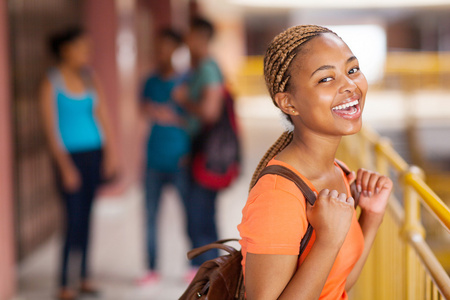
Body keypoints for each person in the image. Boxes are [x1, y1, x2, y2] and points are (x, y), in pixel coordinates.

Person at [238, 25, 394, 299]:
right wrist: (327, 240)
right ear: (289, 104)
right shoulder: (278, 196)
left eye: (352, 69)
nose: (349, 85)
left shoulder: (339, 173)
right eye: (325, 79)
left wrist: (371, 216)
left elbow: (338, 284)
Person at [39, 27, 118, 300]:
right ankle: (64, 282)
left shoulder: (89, 78)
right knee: (72, 219)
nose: (87, 53)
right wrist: (64, 167)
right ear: (65, 49)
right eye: (81, 48)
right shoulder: (52, 82)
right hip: (69, 159)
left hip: (93, 155)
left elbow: (103, 116)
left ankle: (84, 277)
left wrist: (110, 154)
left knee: (87, 218)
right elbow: (51, 130)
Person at [137, 28, 192, 285]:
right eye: (158, 47)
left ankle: (192, 265)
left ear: (176, 50)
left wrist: (176, 114)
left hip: (181, 159)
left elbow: (197, 117)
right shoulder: (149, 82)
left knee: (189, 214)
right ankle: (151, 268)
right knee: (150, 217)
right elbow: (144, 109)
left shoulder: (187, 81)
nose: (162, 52)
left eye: (167, 47)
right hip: (153, 160)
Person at [173, 17, 224, 271]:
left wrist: (184, 101)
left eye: (190, 36)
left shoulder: (207, 69)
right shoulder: (198, 68)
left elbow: (210, 112)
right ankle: (210, 271)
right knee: (202, 214)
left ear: (201, 38)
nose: (186, 41)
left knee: (200, 215)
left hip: (205, 153)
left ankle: (207, 273)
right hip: (198, 151)